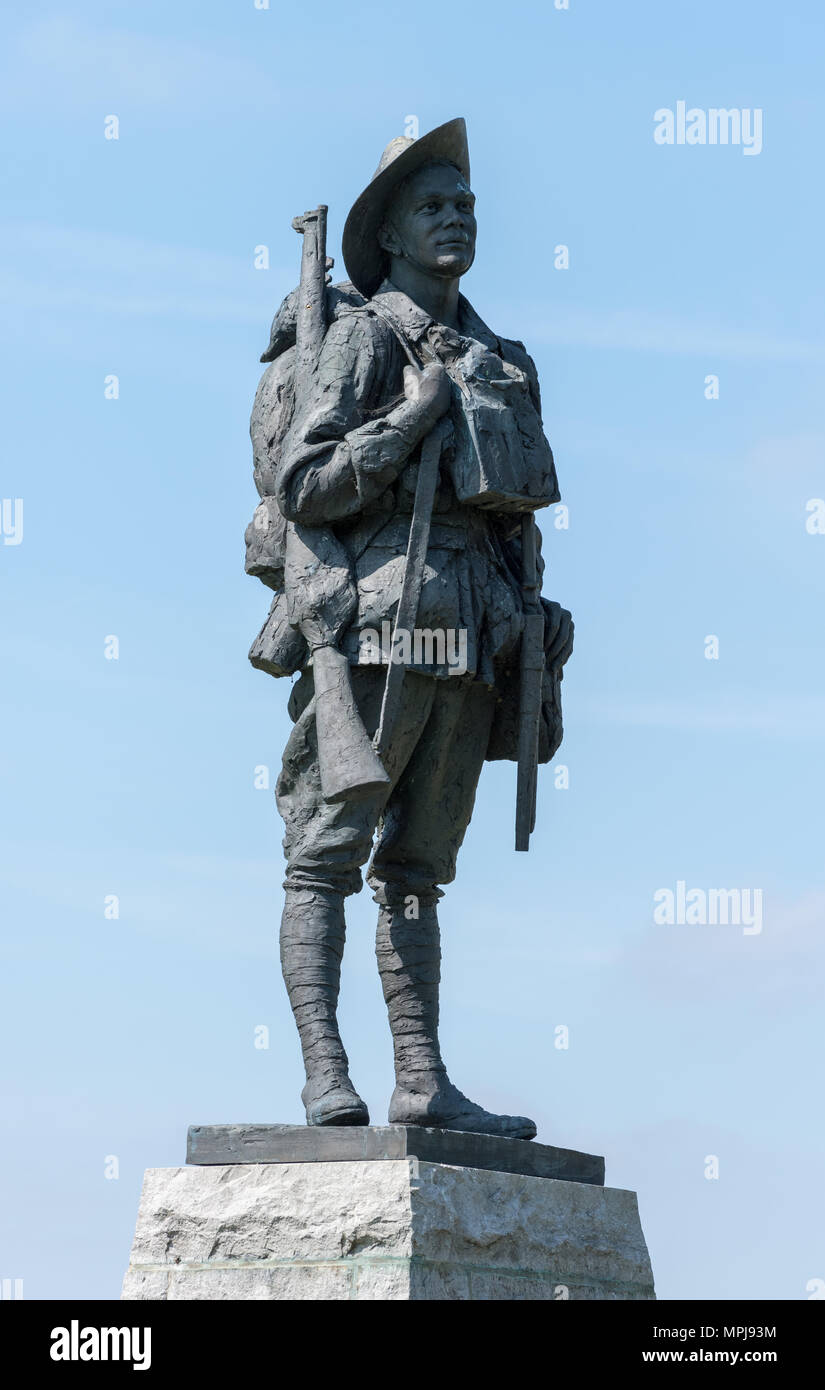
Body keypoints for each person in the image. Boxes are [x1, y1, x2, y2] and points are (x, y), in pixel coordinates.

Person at [251, 118, 573, 1137]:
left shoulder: (501, 357)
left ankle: (422, 1080)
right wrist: (409, 415)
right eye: (433, 207)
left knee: (418, 871)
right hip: (379, 633)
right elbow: (305, 481)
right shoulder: (361, 339)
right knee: (325, 851)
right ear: (388, 235)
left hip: (475, 639)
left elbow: (517, 518)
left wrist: (536, 620)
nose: (456, 220)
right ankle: (324, 1076)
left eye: (465, 206)